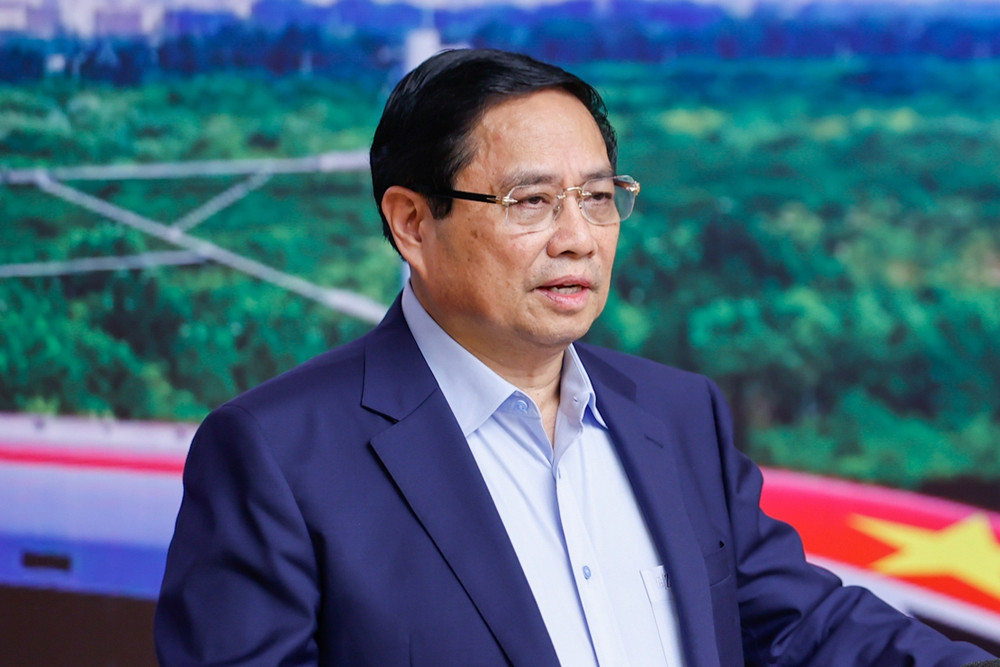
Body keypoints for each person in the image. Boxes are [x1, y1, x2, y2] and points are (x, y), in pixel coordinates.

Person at [154, 48, 997, 666]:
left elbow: (797, 626)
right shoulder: (275, 455)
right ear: (412, 222)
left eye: (598, 197)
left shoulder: (677, 414)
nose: (578, 238)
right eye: (531, 201)